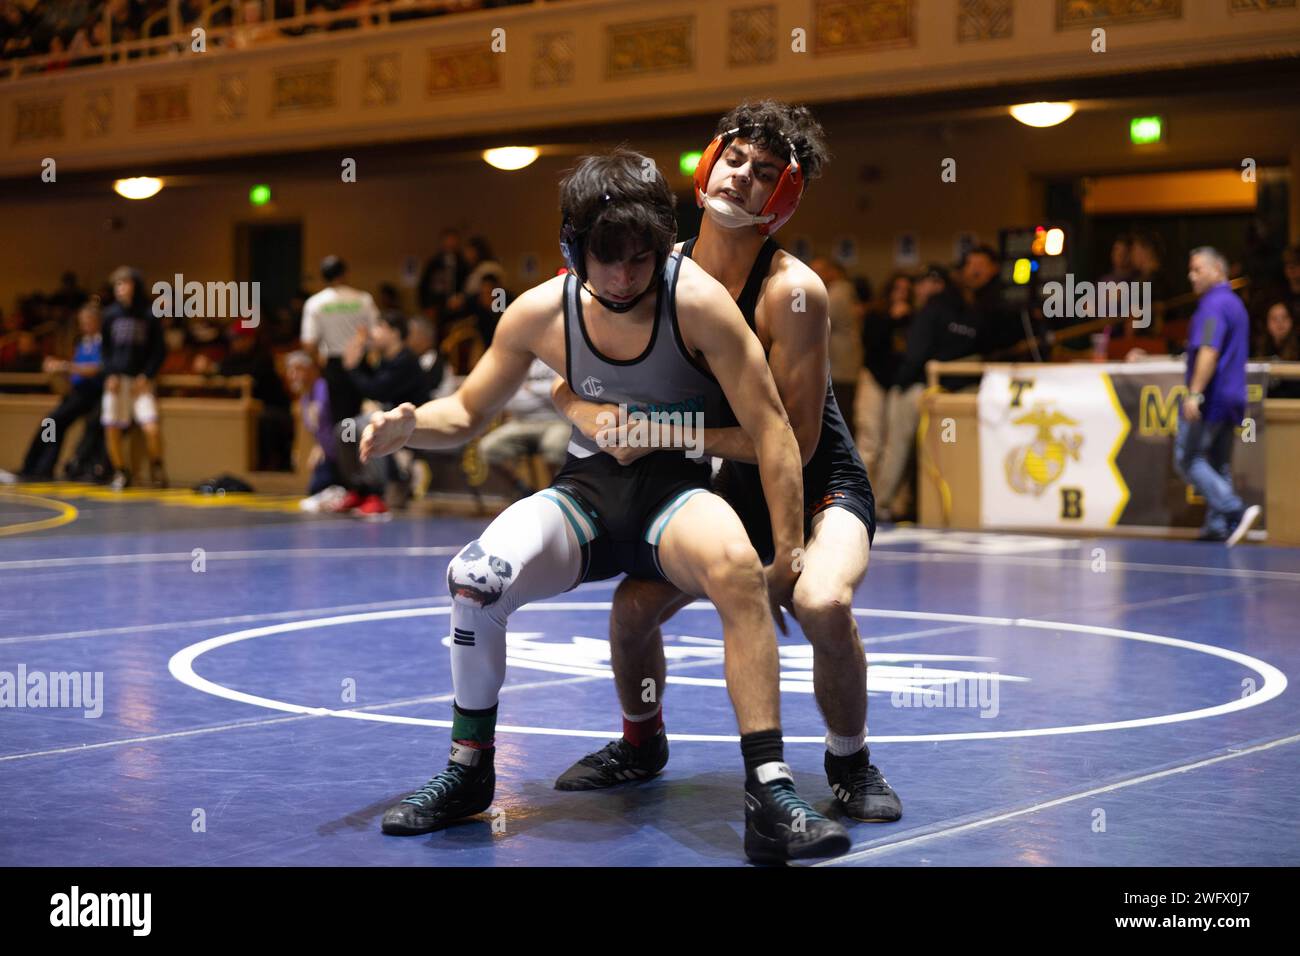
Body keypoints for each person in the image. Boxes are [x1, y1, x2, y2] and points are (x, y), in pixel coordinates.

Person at [361, 147, 850, 862]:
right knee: (474, 579)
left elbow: (774, 431)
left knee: (740, 572)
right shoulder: (541, 312)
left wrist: (788, 552)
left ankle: (770, 790)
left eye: (640, 258)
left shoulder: (697, 302)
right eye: (606, 257)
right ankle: (469, 773)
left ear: (660, 246)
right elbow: (465, 412)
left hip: (673, 496)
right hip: (586, 496)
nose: (624, 277)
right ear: (572, 249)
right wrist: (411, 424)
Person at [551, 101, 901, 824]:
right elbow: (571, 372)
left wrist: (664, 431)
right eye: (736, 160)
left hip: (817, 484)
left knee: (822, 603)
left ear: (784, 197)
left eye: (765, 172)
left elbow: (794, 447)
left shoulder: (792, 294)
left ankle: (849, 759)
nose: (743, 178)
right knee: (630, 612)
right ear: (709, 164)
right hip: (727, 485)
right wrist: (588, 412)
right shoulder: (652, 268)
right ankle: (641, 742)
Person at [1177, 247, 1259, 546]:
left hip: (1213, 397)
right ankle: (1218, 526)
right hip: (1234, 396)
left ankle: (1233, 509)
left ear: (1216, 271)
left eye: (1197, 269)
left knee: (1188, 459)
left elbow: (1209, 350)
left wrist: (1194, 393)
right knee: (1217, 463)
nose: (1191, 276)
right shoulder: (1235, 303)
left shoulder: (1213, 305)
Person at [20, 301, 104, 481]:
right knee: (52, 424)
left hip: (91, 394)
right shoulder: (83, 342)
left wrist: (65, 366)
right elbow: (75, 369)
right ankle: (39, 467)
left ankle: (36, 468)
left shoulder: (103, 342)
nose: (83, 325)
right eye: (81, 321)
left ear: (97, 321)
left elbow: (95, 368)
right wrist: (57, 369)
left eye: (87, 321)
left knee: (52, 421)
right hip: (76, 391)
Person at [100, 266, 166, 490]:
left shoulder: (149, 315)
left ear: (135, 286)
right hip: (117, 381)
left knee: (151, 427)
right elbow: (105, 350)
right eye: (117, 284)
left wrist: (147, 375)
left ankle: (157, 467)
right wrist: (109, 374)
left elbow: (159, 350)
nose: (120, 288)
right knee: (111, 428)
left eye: (125, 283)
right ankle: (121, 471)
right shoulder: (110, 315)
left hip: (141, 381)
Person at [299, 254, 379, 429]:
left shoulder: (315, 303)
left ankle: (346, 454)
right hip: (361, 362)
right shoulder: (363, 299)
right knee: (364, 415)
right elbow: (376, 335)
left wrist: (319, 362)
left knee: (342, 419)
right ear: (345, 273)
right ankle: (363, 453)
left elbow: (309, 344)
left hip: (334, 365)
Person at [857, 271, 912, 476]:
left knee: (894, 442)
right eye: (897, 289)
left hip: (898, 383)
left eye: (907, 290)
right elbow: (869, 343)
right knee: (870, 438)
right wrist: (891, 319)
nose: (902, 294)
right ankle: (862, 494)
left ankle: (883, 499)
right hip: (873, 377)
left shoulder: (913, 318)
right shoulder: (876, 314)